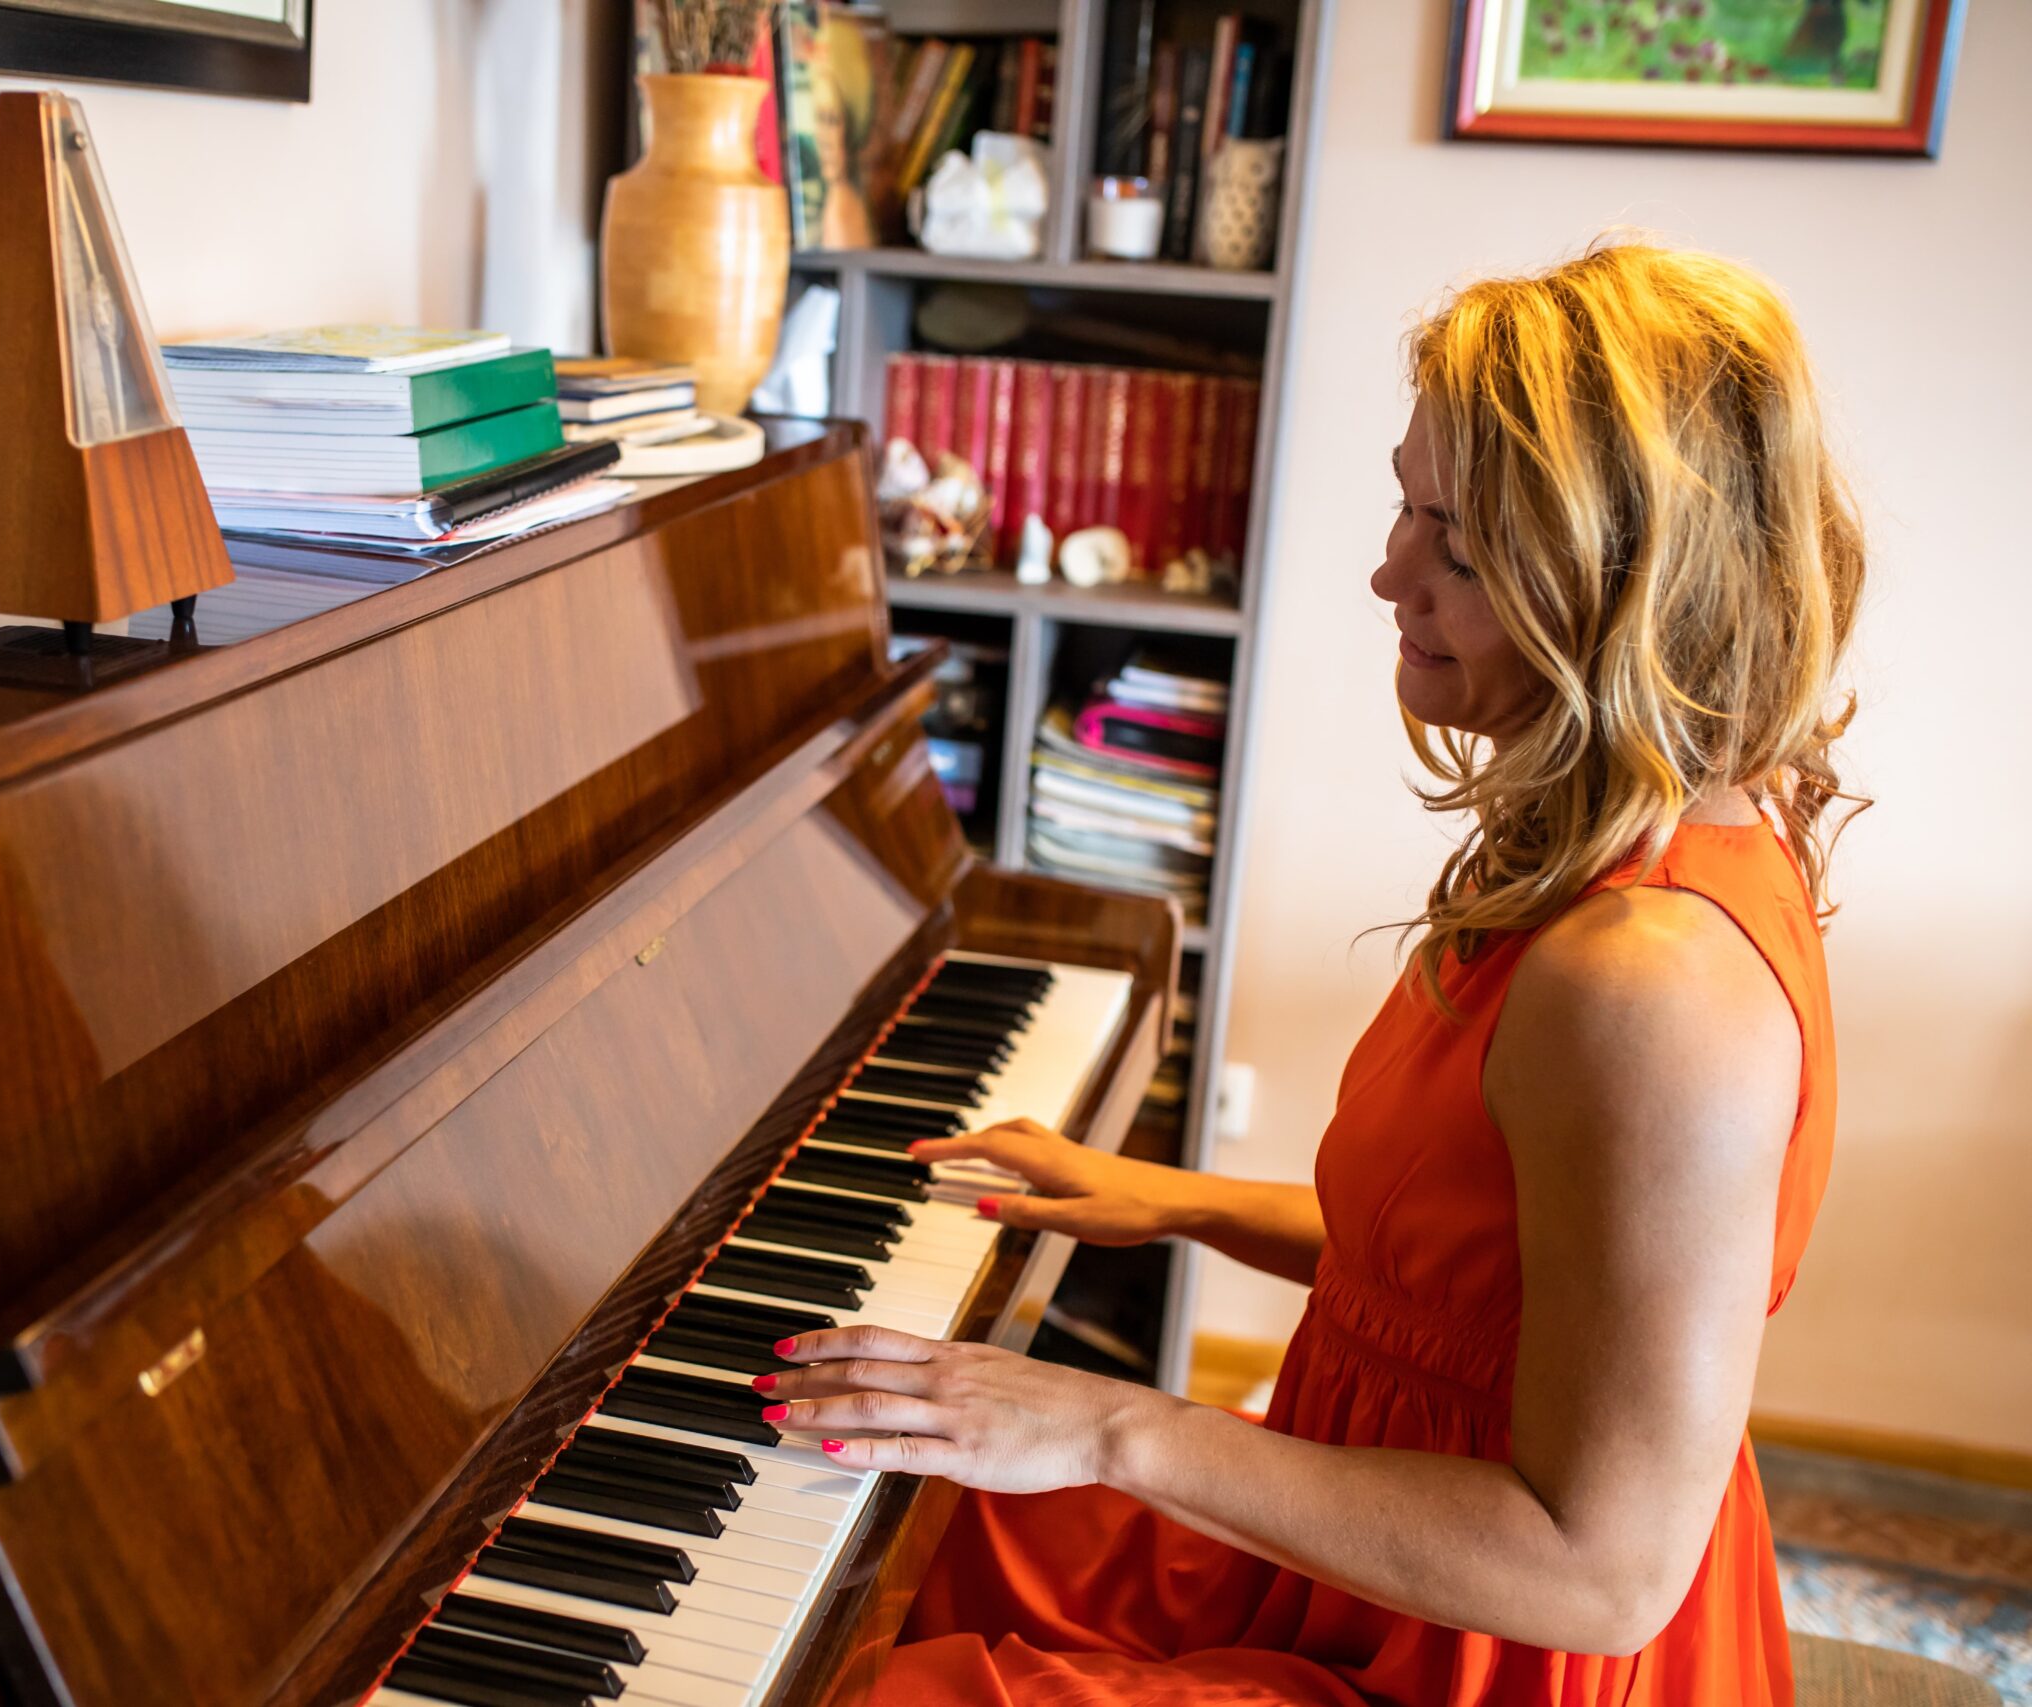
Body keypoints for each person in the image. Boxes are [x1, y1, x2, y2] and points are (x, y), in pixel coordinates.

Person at [758, 241, 1866, 1705]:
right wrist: (1179, 1203)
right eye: (1409, 506)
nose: (1385, 572)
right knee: (906, 1530)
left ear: (1627, 586)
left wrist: (1112, 1426)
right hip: (1378, 1541)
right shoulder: (1630, 834)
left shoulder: (1656, 984)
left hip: (1491, 1646)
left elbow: (1602, 1573)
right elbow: (1503, 1283)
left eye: (1453, 542)